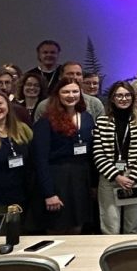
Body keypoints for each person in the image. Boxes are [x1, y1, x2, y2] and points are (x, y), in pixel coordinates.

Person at [31, 79, 95, 234]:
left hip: (81, 178)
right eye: (66, 92)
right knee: (57, 227)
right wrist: (49, 193)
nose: (71, 95)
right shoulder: (46, 121)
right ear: (57, 95)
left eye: (75, 91)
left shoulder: (87, 117)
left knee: (78, 227)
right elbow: (40, 160)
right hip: (57, 180)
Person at [93, 81, 137, 235]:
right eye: (119, 95)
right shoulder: (102, 121)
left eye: (127, 95)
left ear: (132, 97)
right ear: (112, 98)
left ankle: (130, 251)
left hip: (134, 177)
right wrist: (117, 177)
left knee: (131, 226)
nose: (123, 99)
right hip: (109, 177)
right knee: (110, 227)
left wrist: (131, 177)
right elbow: (98, 153)